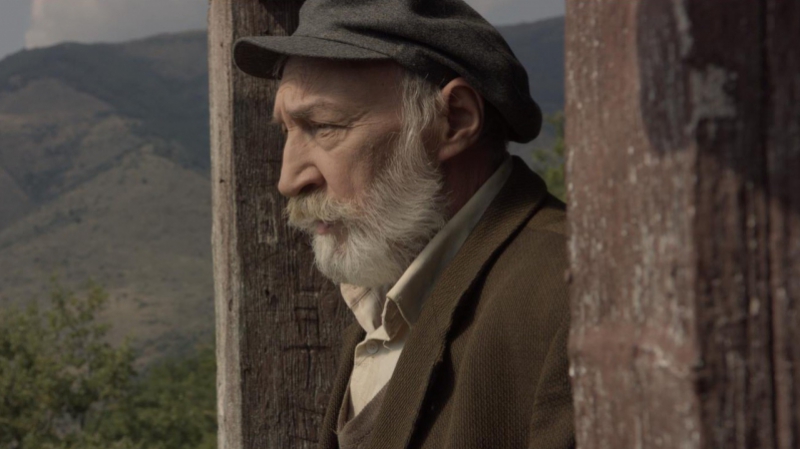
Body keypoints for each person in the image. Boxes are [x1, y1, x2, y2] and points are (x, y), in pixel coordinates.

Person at [233, 0, 573, 447]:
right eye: (287, 130)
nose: (289, 180)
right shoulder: (386, 290)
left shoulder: (573, 295)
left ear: (455, 120)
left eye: (323, 126)